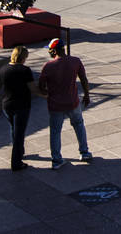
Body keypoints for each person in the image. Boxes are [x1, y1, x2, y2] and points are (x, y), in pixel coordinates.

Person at [38, 38, 92, 169]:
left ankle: (56, 160)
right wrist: (86, 94)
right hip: (73, 102)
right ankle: (84, 152)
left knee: (55, 132)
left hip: (55, 105)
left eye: (50, 50)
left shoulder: (48, 66)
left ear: (54, 50)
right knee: (79, 125)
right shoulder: (75, 61)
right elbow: (84, 79)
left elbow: (41, 86)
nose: (49, 52)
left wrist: (47, 93)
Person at [0, 45, 41, 170]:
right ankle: (16, 162)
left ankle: (19, 151)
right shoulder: (25, 70)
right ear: (22, 58)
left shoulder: (2, 69)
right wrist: (45, 94)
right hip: (22, 105)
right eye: (26, 57)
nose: (26, 59)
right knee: (19, 133)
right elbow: (33, 88)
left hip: (7, 105)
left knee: (14, 128)